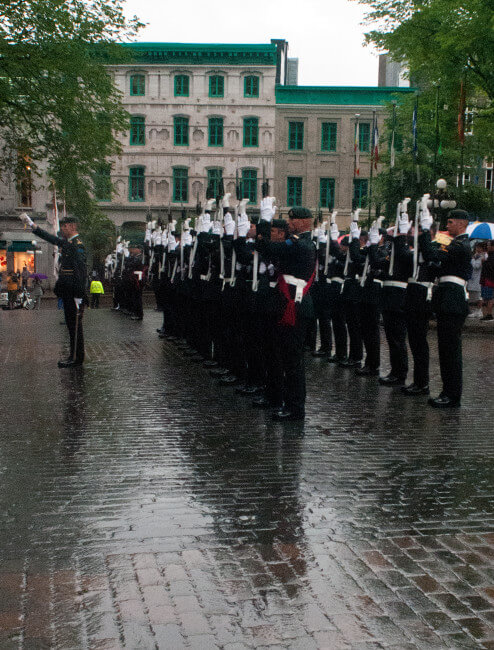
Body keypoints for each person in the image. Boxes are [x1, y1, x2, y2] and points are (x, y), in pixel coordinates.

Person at [255, 207, 316, 421]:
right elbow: (267, 248)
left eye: (292, 219)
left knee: (293, 361)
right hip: (288, 304)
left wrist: (264, 221)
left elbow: (267, 247)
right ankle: (284, 401)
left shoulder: (302, 244)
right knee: (285, 357)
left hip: (296, 305)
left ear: (302, 222)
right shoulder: (297, 242)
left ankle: (296, 408)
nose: (288, 223)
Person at [419, 208, 472, 407]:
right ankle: (447, 392)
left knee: (451, 351)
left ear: (461, 224)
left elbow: (432, 253)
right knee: (445, 350)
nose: (447, 226)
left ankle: (452, 395)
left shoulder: (461, 245)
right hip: (446, 299)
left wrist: (426, 231)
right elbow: (432, 256)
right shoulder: (454, 243)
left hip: (453, 300)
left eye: (450, 222)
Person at [20, 213, 87, 368]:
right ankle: (73, 355)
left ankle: (77, 358)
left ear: (72, 226)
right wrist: (33, 226)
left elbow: (80, 271)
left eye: (64, 226)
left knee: (75, 325)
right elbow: (52, 239)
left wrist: (79, 294)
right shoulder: (69, 242)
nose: (62, 229)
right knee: (71, 325)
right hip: (68, 290)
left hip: (73, 291)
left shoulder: (78, 245)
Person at [467, 242, 486, 318]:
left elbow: (477, 266)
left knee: (479, 295)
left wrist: (472, 260)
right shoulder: (475, 256)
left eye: (479, 248)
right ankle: (475, 310)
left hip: (479, 277)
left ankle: (479, 311)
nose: (478, 249)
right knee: (473, 295)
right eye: (477, 247)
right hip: (472, 278)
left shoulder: (483, 256)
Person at [480, 240, 494, 321]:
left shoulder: (491, 257)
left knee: (489, 297)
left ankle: (489, 314)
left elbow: (490, 267)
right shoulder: (489, 255)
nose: (487, 247)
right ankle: (486, 314)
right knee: (486, 297)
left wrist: (484, 263)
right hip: (486, 279)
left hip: (489, 279)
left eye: (489, 245)